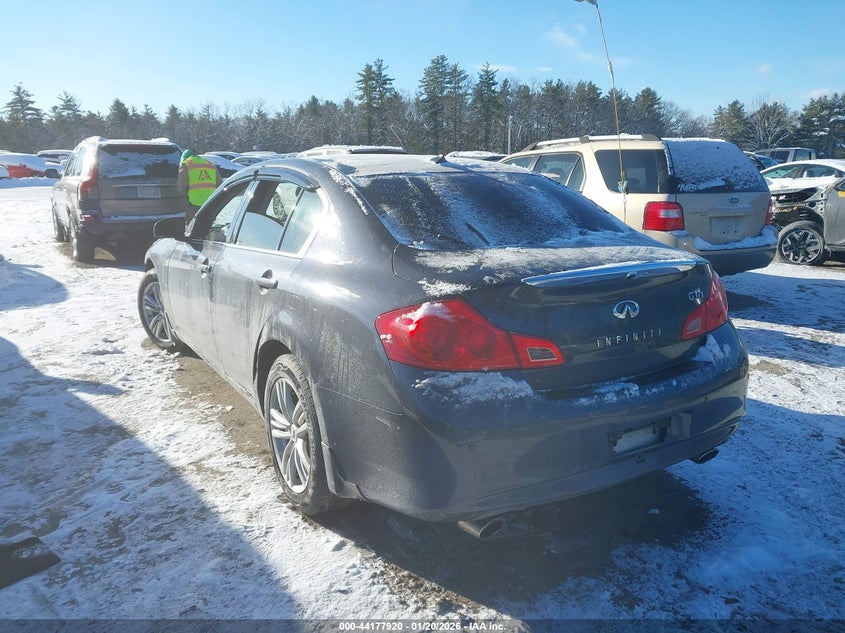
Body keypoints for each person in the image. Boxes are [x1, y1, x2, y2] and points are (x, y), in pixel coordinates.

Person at [177, 149, 220, 224]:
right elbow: (219, 184)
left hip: (194, 204)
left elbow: (182, 186)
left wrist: (187, 197)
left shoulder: (186, 164)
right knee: (208, 227)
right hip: (211, 203)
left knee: (193, 229)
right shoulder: (209, 164)